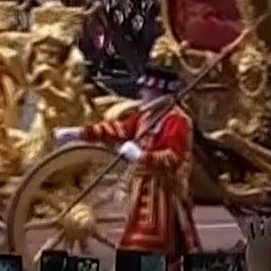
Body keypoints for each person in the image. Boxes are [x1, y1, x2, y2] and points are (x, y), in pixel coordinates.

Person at [55, 58, 201, 257]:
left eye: (147, 90)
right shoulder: (146, 116)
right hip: (142, 189)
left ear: (158, 92)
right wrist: (79, 133)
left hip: (163, 194)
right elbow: (118, 130)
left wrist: (141, 156)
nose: (142, 93)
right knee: (154, 247)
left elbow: (173, 157)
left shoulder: (177, 120)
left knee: (148, 246)